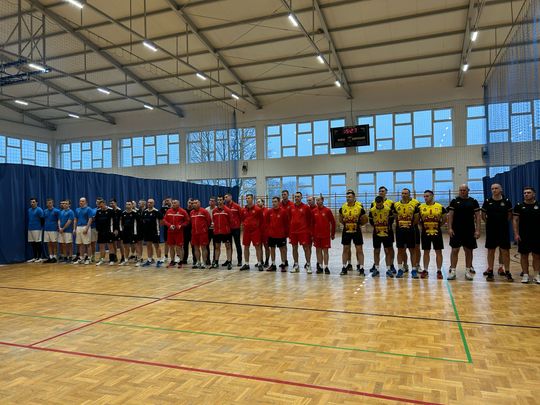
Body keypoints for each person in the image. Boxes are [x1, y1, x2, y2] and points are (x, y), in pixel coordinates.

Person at [447, 184, 481, 280]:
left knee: (468, 251)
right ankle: (453, 271)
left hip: (469, 230)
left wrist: (478, 230)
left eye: (464, 190)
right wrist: (449, 228)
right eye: (460, 190)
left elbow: (478, 217)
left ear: (468, 190)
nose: (462, 192)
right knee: (454, 250)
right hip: (456, 230)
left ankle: (468, 271)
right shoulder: (454, 201)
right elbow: (450, 216)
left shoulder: (473, 201)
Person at [482, 184, 513, 282]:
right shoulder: (487, 201)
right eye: (492, 189)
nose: (494, 190)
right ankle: (490, 271)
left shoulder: (506, 201)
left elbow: (510, 215)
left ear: (501, 189)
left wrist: (503, 224)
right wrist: (489, 224)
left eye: (496, 188)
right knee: (491, 251)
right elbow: (483, 215)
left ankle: (507, 271)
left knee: (505, 251)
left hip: (503, 230)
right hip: (491, 230)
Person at [513, 187, 540, 284]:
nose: (526, 194)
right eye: (524, 193)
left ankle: (537, 275)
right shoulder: (519, 206)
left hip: (537, 235)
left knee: (537, 256)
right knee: (524, 255)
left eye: (528, 193)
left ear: (534, 194)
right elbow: (515, 220)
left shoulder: (538, 205)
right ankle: (525, 275)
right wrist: (516, 234)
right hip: (523, 235)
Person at [418, 190, 446, 279]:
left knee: (438, 251)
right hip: (425, 232)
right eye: (424, 196)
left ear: (432, 196)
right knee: (426, 251)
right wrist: (423, 227)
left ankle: (439, 270)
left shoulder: (440, 207)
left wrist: (437, 226)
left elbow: (444, 219)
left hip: (436, 232)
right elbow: (418, 220)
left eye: (427, 196)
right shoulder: (420, 207)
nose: (425, 198)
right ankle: (425, 270)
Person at [339, 190, 367, 275]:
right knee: (345, 249)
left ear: (354, 197)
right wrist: (347, 224)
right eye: (347, 197)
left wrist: (358, 225)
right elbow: (340, 219)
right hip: (346, 231)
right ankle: (344, 267)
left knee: (359, 249)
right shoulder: (343, 207)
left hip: (356, 231)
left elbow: (365, 219)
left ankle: (361, 268)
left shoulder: (359, 208)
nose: (348, 198)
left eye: (350, 197)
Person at [393, 188, 420, 278]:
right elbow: (395, 217)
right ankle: (400, 269)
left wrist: (409, 225)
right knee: (400, 250)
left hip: (410, 231)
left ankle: (414, 270)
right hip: (400, 231)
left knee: (412, 250)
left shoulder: (414, 205)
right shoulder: (396, 205)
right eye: (402, 193)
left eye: (406, 193)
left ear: (409, 194)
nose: (404, 195)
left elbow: (416, 218)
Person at [368, 196, 395, 277]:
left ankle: (388, 269)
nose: (378, 206)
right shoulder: (372, 210)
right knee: (376, 251)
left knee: (387, 251)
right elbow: (371, 221)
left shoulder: (388, 209)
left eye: (380, 204)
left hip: (386, 233)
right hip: (376, 233)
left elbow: (391, 220)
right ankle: (376, 268)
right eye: (377, 204)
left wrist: (385, 226)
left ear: (383, 202)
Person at [289, 192, 313, 273]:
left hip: (303, 231)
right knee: (294, 248)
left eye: (298, 196)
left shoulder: (306, 207)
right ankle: (296, 265)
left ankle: (308, 264)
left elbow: (310, 219)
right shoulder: (291, 207)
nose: (296, 198)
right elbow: (289, 218)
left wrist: (309, 231)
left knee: (306, 248)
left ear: (301, 197)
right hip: (293, 232)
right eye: (295, 197)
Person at [312, 195, 335, 274]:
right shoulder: (314, 211)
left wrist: (332, 233)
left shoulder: (327, 210)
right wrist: (312, 235)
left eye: (319, 200)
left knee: (325, 251)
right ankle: (320, 266)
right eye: (316, 200)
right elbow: (312, 224)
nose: (317, 202)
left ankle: (326, 267)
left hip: (325, 235)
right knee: (318, 251)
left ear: (322, 200)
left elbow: (333, 222)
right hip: (316, 235)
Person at [163, 199, 190, 269]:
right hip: (170, 232)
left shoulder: (183, 211)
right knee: (171, 247)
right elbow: (164, 220)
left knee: (179, 247)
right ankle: (172, 261)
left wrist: (181, 225)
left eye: (175, 203)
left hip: (179, 233)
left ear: (178, 204)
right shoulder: (168, 211)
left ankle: (181, 261)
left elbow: (187, 221)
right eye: (172, 203)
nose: (173, 204)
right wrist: (169, 225)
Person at [240, 194, 264, 271]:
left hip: (255, 231)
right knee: (246, 247)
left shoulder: (258, 209)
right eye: (246, 198)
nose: (247, 199)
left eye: (249, 198)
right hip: (246, 231)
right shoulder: (243, 210)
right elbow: (242, 219)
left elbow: (261, 220)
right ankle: (246, 264)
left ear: (252, 199)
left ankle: (259, 263)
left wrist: (257, 228)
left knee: (258, 247)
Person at [265, 196, 289, 272]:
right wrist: (269, 232)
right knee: (272, 249)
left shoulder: (283, 211)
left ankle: (283, 264)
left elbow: (286, 223)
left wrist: (286, 234)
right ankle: (273, 264)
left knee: (282, 250)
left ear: (279, 202)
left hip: (281, 235)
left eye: (275, 201)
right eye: (273, 202)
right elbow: (267, 222)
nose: (274, 203)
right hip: (271, 235)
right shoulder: (269, 211)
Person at [141, 198, 164, 267]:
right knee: (148, 246)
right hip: (147, 232)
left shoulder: (157, 212)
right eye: (148, 202)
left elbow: (162, 222)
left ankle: (159, 260)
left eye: (151, 202)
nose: (149, 204)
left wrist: (156, 228)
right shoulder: (145, 212)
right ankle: (149, 260)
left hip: (155, 232)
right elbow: (143, 221)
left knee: (157, 246)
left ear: (153, 204)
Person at [212, 196, 233, 270]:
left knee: (228, 247)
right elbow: (213, 220)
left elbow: (231, 221)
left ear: (223, 201)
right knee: (217, 247)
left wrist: (227, 228)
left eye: (221, 200)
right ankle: (216, 262)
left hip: (226, 232)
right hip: (217, 232)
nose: (219, 201)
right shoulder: (214, 211)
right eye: (218, 200)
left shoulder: (227, 210)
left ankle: (229, 262)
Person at [190, 199, 212, 268]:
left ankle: (204, 263)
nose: (194, 204)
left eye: (196, 203)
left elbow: (209, 221)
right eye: (193, 203)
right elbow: (191, 222)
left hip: (203, 233)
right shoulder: (191, 212)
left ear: (199, 203)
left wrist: (204, 229)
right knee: (196, 248)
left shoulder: (204, 211)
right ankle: (198, 262)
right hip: (194, 233)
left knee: (203, 248)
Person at [120, 201, 142, 266]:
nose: (128, 206)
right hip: (125, 233)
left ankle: (139, 260)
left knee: (136, 246)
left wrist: (137, 233)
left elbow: (139, 223)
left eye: (129, 204)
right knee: (126, 247)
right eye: (127, 204)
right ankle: (126, 260)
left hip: (133, 232)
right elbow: (122, 223)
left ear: (132, 205)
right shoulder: (123, 213)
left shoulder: (135, 213)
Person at [94, 198, 115, 266]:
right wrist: (97, 229)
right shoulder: (98, 211)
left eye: (102, 206)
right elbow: (96, 221)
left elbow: (115, 221)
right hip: (101, 231)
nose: (101, 207)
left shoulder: (110, 210)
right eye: (100, 206)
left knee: (110, 246)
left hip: (109, 231)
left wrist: (115, 229)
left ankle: (112, 260)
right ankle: (102, 259)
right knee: (101, 246)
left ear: (104, 204)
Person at [72, 197, 93, 265]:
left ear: (86, 202)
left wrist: (86, 228)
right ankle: (81, 258)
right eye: (80, 201)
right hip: (78, 227)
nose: (81, 202)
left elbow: (90, 219)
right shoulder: (77, 209)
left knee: (88, 244)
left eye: (83, 201)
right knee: (80, 244)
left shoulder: (89, 209)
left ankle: (89, 258)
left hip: (85, 226)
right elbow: (75, 219)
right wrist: (74, 229)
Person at [225, 193, 242, 267]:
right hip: (228, 229)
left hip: (236, 228)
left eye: (226, 197)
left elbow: (241, 216)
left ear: (230, 197)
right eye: (224, 197)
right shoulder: (225, 207)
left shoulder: (237, 206)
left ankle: (239, 260)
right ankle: (229, 260)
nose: (225, 198)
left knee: (237, 244)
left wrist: (238, 225)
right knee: (228, 245)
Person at [279, 190, 295, 270]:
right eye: (282, 194)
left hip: (291, 227)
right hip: (282, 228)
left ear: (288, 195)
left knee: (294, 245)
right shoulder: (279, 204)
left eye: (285, 194)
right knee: (283, 245)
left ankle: (296, 262)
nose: (283, 195)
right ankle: (285, 260)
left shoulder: (292, 204)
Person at [27, 197, 44, 263]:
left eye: (33, 202)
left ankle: (40, 257)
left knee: (38, 243)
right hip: (30, 228)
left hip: (37, 229)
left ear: (37, 203)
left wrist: (40, 227)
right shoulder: (29, 210)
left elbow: (42, 219)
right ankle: (35, 257)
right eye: (31, 202)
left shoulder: (39, 210)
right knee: (33, 243)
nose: (32, 203)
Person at [43, 198, 60, 263]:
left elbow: (59, 220)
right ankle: (50, 257)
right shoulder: (45, 211)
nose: (49, 204)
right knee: (48, 243)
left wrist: (58, 227)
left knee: (54, 243)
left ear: (53, 203)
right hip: (46, 229)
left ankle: (55, 257)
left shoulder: (57, 211)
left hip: (53, 229)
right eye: (48, 203)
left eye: (50, 203)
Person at [256, 198, 270, 267]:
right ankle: (260, 261)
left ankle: (267, 261)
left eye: (259, 202)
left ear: (263, 203)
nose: (257, 203)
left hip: (265, 232)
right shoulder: (256, 211)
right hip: (258, 232)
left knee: (266, 247)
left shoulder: (267, 211)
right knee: (259, 247)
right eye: (257, 202)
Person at [109, 198, 123, 264]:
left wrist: (117, 229)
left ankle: (123, 257)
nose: (111, 204)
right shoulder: (110, 211)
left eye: (112, 203)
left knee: (120, 244)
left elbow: (120, 221)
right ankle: (115, 256)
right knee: (114, 243)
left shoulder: (119, 211)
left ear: (115, 203)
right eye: (110, 203)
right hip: (112, 230)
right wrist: (112, 230)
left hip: (119, 229)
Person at [182, 198, 195, 265]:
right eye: (189, 203)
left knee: (193, 246)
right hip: (185, 231)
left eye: (192, 203)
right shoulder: (184, 211)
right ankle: (184, 259)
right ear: (187, 203)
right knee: (185, 246)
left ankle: (195, 259)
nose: (190, 204)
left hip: (193, 231)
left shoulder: (195, 211)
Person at [160, 197, 172, 262]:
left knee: (175, 243)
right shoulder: (163, 209)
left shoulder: (174, 208)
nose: (167, 202)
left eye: (168, 201)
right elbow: (160, 216)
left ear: (171, 201)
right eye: (166, 201)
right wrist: (163, 206)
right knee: (166, 243)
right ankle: (166, 256)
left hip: (173, 228)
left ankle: (177, 256)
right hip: (166, 228)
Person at [206, 197, 217, 266]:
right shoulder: (206, 209)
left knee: (215, 246)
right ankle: (207, 259)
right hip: (208, 229)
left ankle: (214, 260)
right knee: (206, 245)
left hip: (215, 229)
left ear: (215, 202)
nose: (211, 202)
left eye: (213, 201)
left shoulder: (217, 209)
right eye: (210, 201)